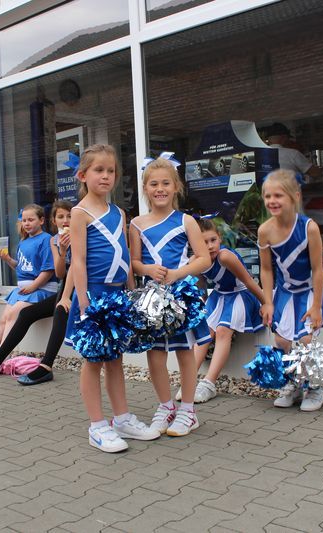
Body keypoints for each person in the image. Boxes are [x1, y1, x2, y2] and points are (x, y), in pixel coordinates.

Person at [64, 144, 160, 453]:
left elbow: (126, 256)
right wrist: (83, 301)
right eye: (99, 170)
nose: (106, 176)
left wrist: (131, 291)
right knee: (93, 361)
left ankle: (121, 418)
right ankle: (97, 425)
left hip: (117, 296)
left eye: (111, 171)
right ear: (83, 175)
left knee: (115, 359)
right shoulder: (79, 213)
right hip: (94, 295)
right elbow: (78, 261)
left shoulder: (119, 213)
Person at [129, 155, 212, 437]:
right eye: (153, 184)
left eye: (166, 183)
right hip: (151, 300)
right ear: (145, 188)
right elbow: (134, 262)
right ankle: (166, 406)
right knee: (155, 354)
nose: (160, 189)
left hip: (179, 297)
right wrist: (147, 269)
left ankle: (188, 410)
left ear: (176, 187)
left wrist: (178, 274)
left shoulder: (186, 221)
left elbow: (204, 258)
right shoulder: (136, 224)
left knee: (184, 352)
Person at [0, 200, 74, 383]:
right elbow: (61, 274)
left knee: (60, 311)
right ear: (54, 220)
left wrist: (66, 296)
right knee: (26, 314)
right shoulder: (54, 240)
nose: (65, 220)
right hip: (65, 286)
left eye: (70, 216)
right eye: (61, 217)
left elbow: (76, 267)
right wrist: (63, 249)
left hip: (79, 287)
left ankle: (45, 367)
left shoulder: (80, 235)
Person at [257, 169, 323, 411]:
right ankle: (293, 383)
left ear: (295, 196)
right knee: (281, 339)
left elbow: (318, 269)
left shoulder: (310, 228)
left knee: (306, 338)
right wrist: (268, 301)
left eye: (278, 195)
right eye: (268, 196)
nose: (272, 201)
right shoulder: (264, 231)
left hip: (310, 290)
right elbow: (266, 270)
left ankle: (315, 387)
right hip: (286, 291)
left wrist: (317, 306)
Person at [186, 218, 266, 403]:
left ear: (220, 238)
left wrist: (266, 303)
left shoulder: (225, 256)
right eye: (204, 242)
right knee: (204, 331)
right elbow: (201, 285)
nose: (210, 246)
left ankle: (208, 383)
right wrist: (204, 308)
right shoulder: (196, 261)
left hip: (241, 294)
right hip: (218, 296)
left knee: (223, 330)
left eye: (213, 240)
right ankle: (188, 380)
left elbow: (248, 281)